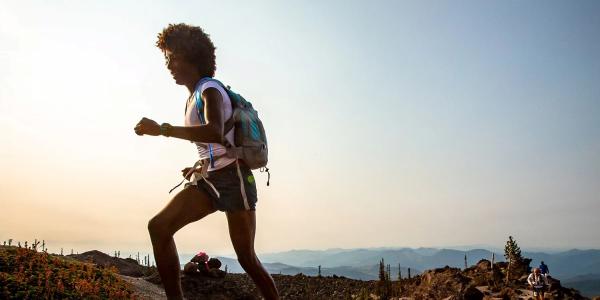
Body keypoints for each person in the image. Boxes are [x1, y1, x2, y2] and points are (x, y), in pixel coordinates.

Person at [134, 23, 279, 300]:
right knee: (159, 226)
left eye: (172, 57)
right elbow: (214, 143)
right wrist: (200, 164)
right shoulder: (192, 97)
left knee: (247, 258)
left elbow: (214, 130)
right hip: (211, 179)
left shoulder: (210, 89)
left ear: (191, 56)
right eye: (167, 58)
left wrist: (162, 129)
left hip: (235, 179)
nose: (169, 65)